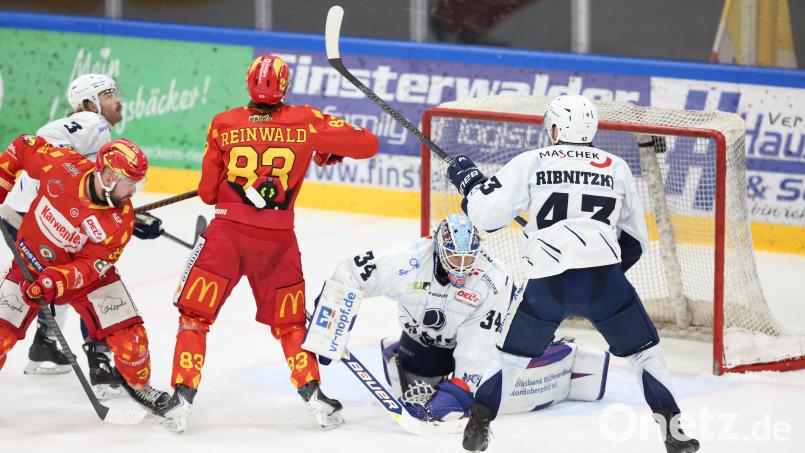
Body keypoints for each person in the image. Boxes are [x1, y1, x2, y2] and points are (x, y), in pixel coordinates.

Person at [446, 94, 700, 453]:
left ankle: (480, 421)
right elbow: (635, 242)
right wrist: (601, 275)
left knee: (510, 358)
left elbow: (486, 217)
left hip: (548, 283)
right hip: (604, 281)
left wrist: (470, 184)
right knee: (644, 354)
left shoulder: (532, 161)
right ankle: (673, 428)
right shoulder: (616, 166)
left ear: (554, 127)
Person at [158, 54, 379, 432]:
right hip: (277, 243)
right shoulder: (308, 120)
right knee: (291, 325)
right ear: (284, 87)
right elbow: (368, 144)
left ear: (247, 83)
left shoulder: (223, 124)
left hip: (226, 238)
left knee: (195, 319)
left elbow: (209, 194)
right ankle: (316, 398)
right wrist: (326, 148)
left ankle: (180, 399)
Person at [304, 213, 610, 426]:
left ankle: (554, 351)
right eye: (455, 259)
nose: (462, 267)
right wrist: (329, 322)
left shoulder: (492, 280)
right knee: (421, 379)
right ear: (438, 248)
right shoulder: (406, 260)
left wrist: (462, 388)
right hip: (429, 345)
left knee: (496, 394)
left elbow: (483, 342)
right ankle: (407, 357)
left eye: (468, 259)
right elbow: (350, 273)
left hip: (491, 338)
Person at [0, 73, 164, 399]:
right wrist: (61, 170)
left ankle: (46, 342)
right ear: (89, 102)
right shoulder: (94, 123)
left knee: (66, 280)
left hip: (28, 213)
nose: (117, 100)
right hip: (39, 217)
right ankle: (99, 362)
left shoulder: (95, 157)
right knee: (67, 278)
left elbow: (102, 198)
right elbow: (41, 143)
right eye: (107, 94)